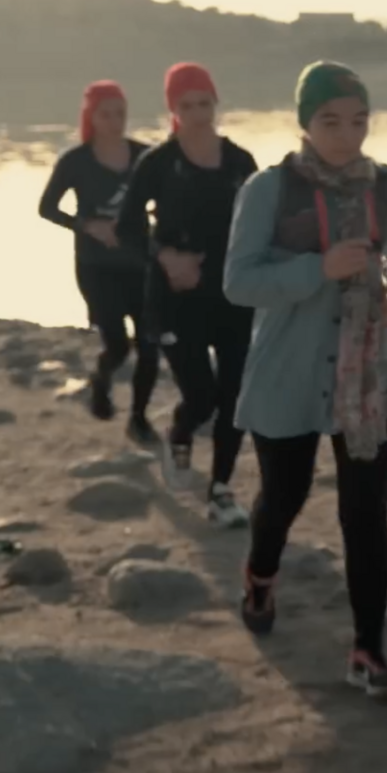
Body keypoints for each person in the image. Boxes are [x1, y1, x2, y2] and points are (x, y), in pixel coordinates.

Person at [223, 61, 387, 698]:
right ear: (305, 122)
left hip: (370, 372)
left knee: (366, 515)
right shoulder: (268, 189)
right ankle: (260, 573)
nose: (347, 134)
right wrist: (320, 268)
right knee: (285, 494)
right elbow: (240, 282)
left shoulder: (385, 183)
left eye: (358, 120)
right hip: (289, 375)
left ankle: (368, 648)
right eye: (331, 121)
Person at [115, 62, 259, 527]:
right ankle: (180, 432)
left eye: (205, 104)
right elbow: (126, 229)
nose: (198, 114)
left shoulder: (240, 162)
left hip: (234, 299)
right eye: (187, 106)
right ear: (173, 109)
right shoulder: (157, 164)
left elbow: (261, 229)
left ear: (216, 104)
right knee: (202, 397)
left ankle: (220, 491)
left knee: (235, 396)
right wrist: (166, 259)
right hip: (176, 301)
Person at [37, 80, 161, 445]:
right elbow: (46, 208)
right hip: (96, 267)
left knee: (150, 344)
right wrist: (87, 225)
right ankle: (101, 379)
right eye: (106, 114)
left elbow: (168, 201)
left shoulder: (146, 156)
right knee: (118, 345)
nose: (115, 121)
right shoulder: (75, 161)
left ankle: (139, 418)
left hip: (141, 263)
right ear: (92, 116)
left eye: (120, 113)